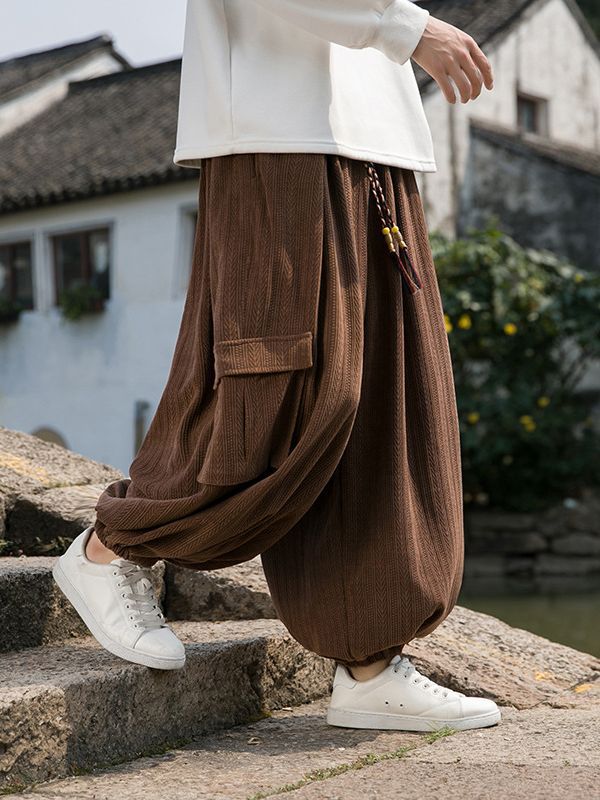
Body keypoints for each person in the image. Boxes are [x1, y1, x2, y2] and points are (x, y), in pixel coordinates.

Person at [53, 0, 501, 731]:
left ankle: (368, 665)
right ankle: (113, 548)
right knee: (285, 392)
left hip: (375, 137)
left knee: (386, 405)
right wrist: (408, 26)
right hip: (276, 127)